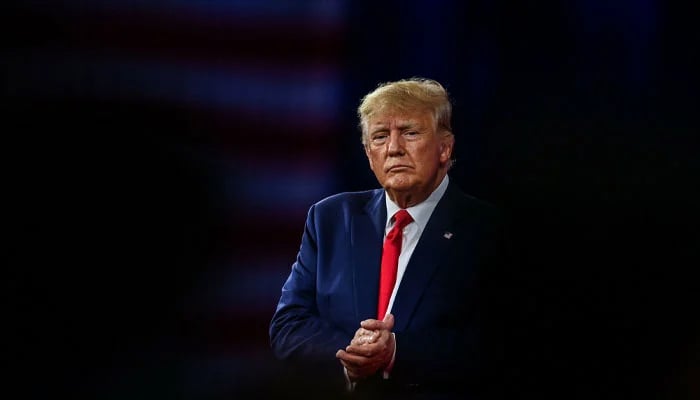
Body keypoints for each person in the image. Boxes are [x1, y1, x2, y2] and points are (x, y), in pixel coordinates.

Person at [269, 78, 509, 399]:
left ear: (444, 147)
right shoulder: (330, 218)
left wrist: (396, 351)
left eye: (410, 133)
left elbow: (500, 344)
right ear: (369, 155)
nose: (394, 148)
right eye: (380, 137)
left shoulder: (488, 230)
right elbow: (288, 324)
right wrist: (351, 355)